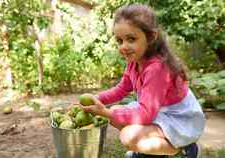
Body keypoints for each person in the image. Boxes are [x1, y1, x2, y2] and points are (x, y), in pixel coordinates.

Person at [80, 4, 205, 158]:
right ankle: (153, 153)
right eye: (119, 40)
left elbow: (145, 114)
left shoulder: (157, 68)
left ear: (151, 37)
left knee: (127, 135)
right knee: (117, 111)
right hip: (160, 114)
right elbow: (121, 89)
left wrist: (105, 112)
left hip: (180, 120)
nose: (124, 46)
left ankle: (184, 150)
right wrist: (97, 99)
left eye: (131, 39)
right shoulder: (134, 62)